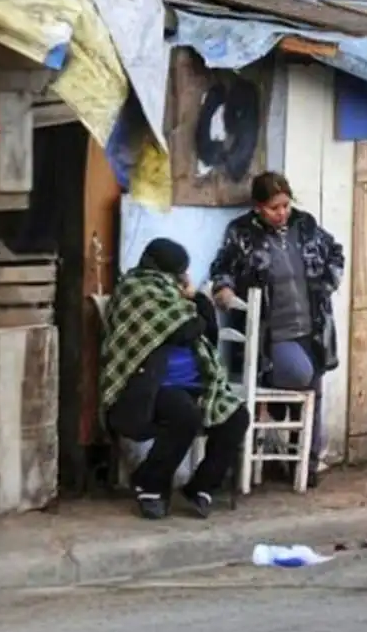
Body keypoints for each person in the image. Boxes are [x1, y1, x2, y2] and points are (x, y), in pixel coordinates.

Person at [209, 171, 344, 487]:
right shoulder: (242, 233)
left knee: (315, 385)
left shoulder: (305, 225)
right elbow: (222, 268)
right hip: (272, 335)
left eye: (285, 205)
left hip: (311, 326)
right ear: (258, 207)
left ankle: (304, 466)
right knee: (303, 375)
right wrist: (225, 291)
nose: (282, 213)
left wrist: (327, 282)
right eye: (274, 208)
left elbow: (334, 252)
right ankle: (297, 457)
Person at [100, 238, 251, 520]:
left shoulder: (175, 296)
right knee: (185, 415)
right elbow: (184, 330)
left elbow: (208, 332)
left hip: (196, 382)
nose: (182, 277)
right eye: (179, 272)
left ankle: (201, 487)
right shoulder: (136, 288)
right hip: (150, 385)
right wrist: (195, 307)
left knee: (237, 417)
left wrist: (197, 299)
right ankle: (150, 484)